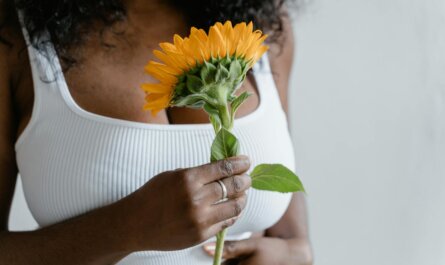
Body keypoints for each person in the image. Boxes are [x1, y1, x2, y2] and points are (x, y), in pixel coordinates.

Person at [0, 0, 313, 264]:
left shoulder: (264, 26)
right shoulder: (14, 37)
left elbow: (284, 190)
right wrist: (126, 228)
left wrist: (297, 250)